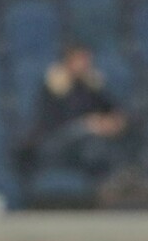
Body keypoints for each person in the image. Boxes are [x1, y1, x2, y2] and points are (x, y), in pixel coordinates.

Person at [19, 44, 129, 185]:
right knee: (94, 145)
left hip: (86, 143)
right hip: (56, 143)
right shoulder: (53, 88)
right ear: (69, 62)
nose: (85, 64)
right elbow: (50, 124)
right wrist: (88, 125)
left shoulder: (90, 85)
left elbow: (111, 109)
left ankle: (116, 183)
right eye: (81, 60)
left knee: (99, 148)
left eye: (87, 60)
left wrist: (113, 122)